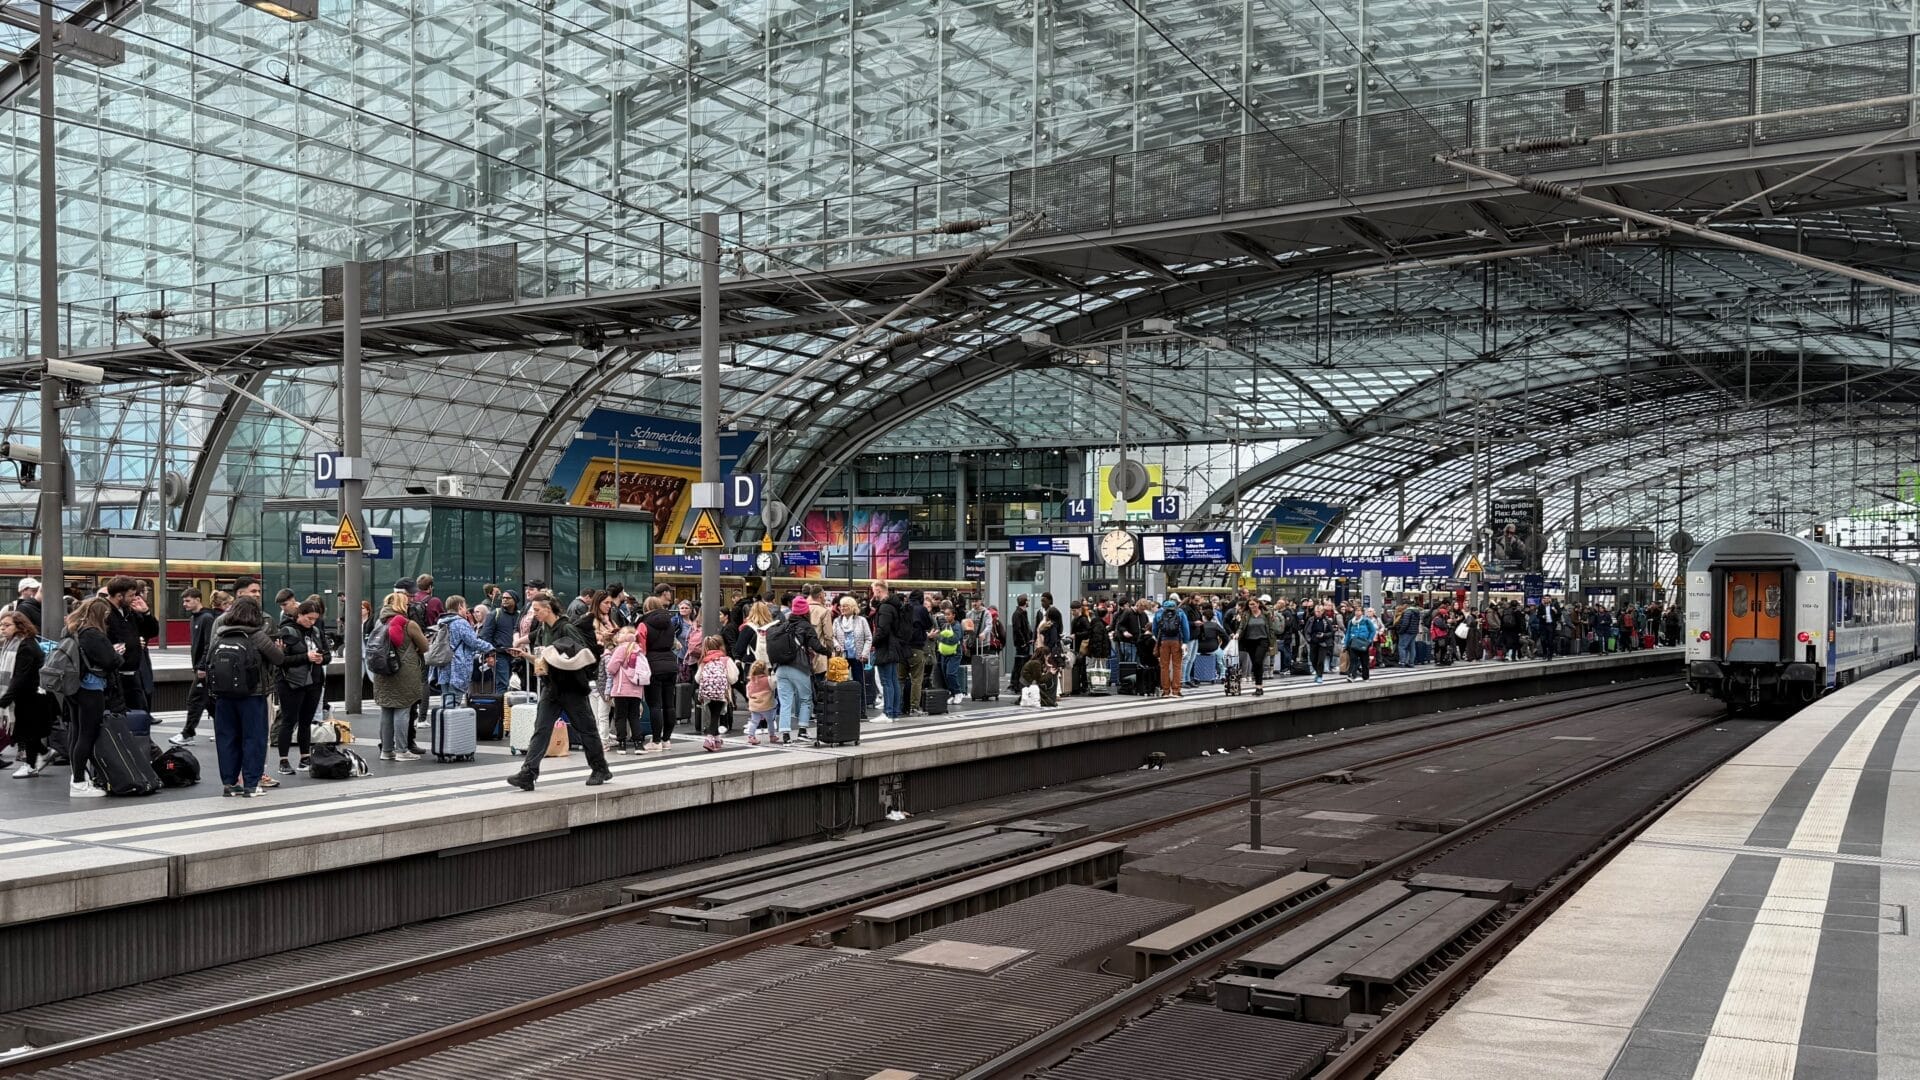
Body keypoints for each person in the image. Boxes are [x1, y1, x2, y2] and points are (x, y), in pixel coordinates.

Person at [505, 595, 612, 791]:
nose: (534, 614)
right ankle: (528, 773)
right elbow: (543, 660)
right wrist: (525, 656)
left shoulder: (567, 627)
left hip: (571, 687)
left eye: (537, 610)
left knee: (586, 728)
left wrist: (558, 653)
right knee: (541, 729)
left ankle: (600, 768)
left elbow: (583, 652)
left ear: (548, 609)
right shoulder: (542, 631)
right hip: (551, 686)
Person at [204, 597, 288, 798]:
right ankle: (251, 784)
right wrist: (280, 649)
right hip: (253, 695)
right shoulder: (257, 636)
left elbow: (208, 661)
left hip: (224, 696)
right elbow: (279, 659)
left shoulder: (220, 634)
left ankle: (230, 784)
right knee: (254, 739)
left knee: (227, 739)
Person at [271, 599, 330, 776]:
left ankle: (305, 757)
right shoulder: (286, 631)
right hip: (291, 682)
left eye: (315, 619)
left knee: (306, 721)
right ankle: (283, 760)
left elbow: (326, 653)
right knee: (289, 720)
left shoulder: (317, 632)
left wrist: (322, 658)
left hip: (314, 681)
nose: (312, 622)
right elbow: (281, 661)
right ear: (300, 615)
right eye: (309, 618)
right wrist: (306, 657)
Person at [370, 592, 429, 762]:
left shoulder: (379, 623)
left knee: (386, 710)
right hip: (404, 671)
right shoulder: (408, 624)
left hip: (382, 672)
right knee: (403, 709)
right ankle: (402, 750)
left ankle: (386, 750)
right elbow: (424, 646)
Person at [2, 611, 52, 778]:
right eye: (1, 625)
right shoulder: (14, 643)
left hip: (32, 694)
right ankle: (45, 753)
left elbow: (19, 676)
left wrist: (5, 699)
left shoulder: (25, 646)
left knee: (27, 731)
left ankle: (30, 766)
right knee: (25, 731)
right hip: (26, 694)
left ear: (20, 626)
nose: (2, 629)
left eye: (7, 625)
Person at [102, 577, 159, 712]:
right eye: (131, 595)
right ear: (119, 596)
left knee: (139, 712)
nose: (134, 598)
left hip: (133, 673)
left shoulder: (129, 611)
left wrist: (146, 613)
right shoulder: (104, 612)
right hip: (115, 676)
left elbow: (152, 631)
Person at [772, 596, 824, 739]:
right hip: (799, 667)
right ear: (805, 611)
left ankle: (785, 734)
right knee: (805, 699)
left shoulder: (783, 625)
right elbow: (816, 646)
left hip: (781, 668)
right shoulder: (805, 626)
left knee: (785, 701)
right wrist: (829, 652)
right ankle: (802, 731)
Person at [636, 595, 680, 749]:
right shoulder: (670, 623)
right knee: (669, 704)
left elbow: (641, 648)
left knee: (655, 705)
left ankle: (655, 741)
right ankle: (666, 739)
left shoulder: (643, 624)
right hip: (670, 663)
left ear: (646, 608)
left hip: (652, 665)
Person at [428, 595, 487, 708]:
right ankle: (449, 725)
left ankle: (443, 724)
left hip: (443, 667)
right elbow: (473, 642)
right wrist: (490, 647)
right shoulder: (460, 623)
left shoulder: (442, 622)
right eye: (465, 607)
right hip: (457, 668)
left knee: (445, 701)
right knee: (454, 703)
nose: (466, 610)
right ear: (460, 607)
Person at [606, 625, 652, 753]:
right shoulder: (638, 650)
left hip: (621, 690)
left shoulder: (621, 649)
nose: (618, 635)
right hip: (636, 690)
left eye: (621, 633)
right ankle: (638, 744)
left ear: (627, 636)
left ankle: (622, 744)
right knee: (634, 717)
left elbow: (611, 668)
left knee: (620, 717)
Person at [871, 582, 908, 722]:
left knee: (886, 681)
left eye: (874, 591)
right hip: (894, 647)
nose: (873, 594)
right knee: (893, 681)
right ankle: (894, 712)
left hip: (885, 648)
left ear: (879, 591)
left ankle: (888, 713)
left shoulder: (885, 608)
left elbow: (882, 630)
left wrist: (872, 643)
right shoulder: (894, 605)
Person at [694, 640, 739, 751]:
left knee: (714, 713)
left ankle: (717, 738)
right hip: (720, 692)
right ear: (720, 647)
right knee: (715, 715)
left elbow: (697, 678)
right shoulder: (725, 660)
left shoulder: (705, 660)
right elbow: (733, 678)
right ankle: (709, 739)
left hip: (707, 693)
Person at [833, 595, 873, 709]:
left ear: (852, 607)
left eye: (845, 606)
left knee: (859, 681)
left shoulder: (862, 620)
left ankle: (861, 709)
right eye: (841, 606)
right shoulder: (837, 621)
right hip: (842, 657)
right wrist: (836, 646)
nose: (842, 608)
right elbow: (832, 636)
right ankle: (842, 707)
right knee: (841, 681)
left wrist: (865, 653)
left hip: (858, 656)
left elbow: (868, 638)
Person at [1152, 598, 1189, 698]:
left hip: (1164, 642)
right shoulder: (1180, 613)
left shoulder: (1159, 613)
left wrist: (1159, 638)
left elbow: (1154, 629)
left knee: (1164, 666)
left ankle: (1166, 691)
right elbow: (1185, 628)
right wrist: (1185, 642)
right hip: (1177, 641)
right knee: (1177, 666)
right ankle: (1176, 691)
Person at [1238, 598, 1272, 696]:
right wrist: (1237, 634)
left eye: (1254, 604)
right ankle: (1258, 687)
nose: (1252, 606)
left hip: (1263, 640)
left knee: (1258, 661)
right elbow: (1241, 627)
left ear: (1258, 604)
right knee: (1255, 664)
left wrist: (1271, 643)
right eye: (1250, 605)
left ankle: (1259, 686)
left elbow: (1271, 628)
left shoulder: (1266, 614)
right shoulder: (1246, 615)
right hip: (1250, 641)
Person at [743, 661, 777, 745]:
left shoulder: (750, 682)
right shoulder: (768, 679)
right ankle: (772, 736)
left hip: (755, 706)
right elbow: (773, 687)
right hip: (767, 704)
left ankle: (751, 736)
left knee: (754, 721)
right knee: (770, 721)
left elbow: (748, 695)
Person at [1345, 607, 1380, 682]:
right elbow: (1348, 633)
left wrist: (1369, 640)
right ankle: (1351, 675)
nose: (1357, 612)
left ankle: (1366, 677)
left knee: (1364, 660)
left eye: (1359, 611)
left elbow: (1373, 630)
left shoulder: (1366, 621)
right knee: (1353, 660)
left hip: (1363, 643)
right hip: (1353, 642)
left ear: (1362, 612)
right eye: (1356, 611)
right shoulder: (1351, 622)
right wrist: (1346, 643)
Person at [1009, 594, 1033, 691]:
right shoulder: (1018, 614)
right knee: (1019, 664)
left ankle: (1017, 683)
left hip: (1025, 642)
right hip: (1022, 644)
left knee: (1021, 663)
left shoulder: (1022, 613)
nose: (1028, 602)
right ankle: (1016, 684)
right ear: (1024, 602)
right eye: (1027, 600)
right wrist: (1023, 642)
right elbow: (1017, 630)